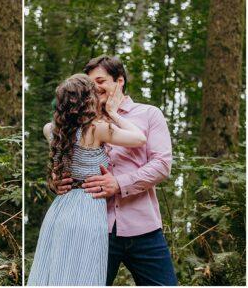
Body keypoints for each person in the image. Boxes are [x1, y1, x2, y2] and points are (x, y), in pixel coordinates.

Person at [52, 56, 178, 285]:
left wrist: (119, 184)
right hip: (94, 227)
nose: (94, 87)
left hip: (143, 227)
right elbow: (61, 157)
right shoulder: (79, 121)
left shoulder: (149, 114)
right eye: (90, 83)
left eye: (100, 80)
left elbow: (162, 164)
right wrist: (56, 180)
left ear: (119, 81)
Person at [27, 73, 147, 285]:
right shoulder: (97, 129)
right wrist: (113, 112)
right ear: (88, 100)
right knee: (84, 274)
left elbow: (59, 166)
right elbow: (139, 138)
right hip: (88, 208)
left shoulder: (51, 130)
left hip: (60, 209)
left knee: (56, 273)